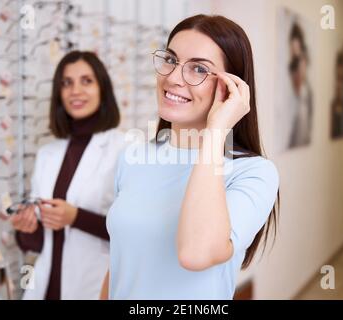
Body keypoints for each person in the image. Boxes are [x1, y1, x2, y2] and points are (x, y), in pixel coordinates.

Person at [101, 15, 279, 300]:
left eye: (198, 69)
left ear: (231, 88)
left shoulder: (253, 172)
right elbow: (120, 262)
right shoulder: (133, 157)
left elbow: (196, 253)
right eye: (170, 60)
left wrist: (217, 130)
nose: (172, 78)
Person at [10, 51, 125, 299]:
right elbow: (39, 244)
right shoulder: (47, 154)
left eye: (86, 81)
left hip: (95, 286)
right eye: (66, 83)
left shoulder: (125, 150)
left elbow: (131, 232)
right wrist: (26, 228)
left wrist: (75, 217)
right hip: (45, 288)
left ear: (103, 89)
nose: (75, 90)